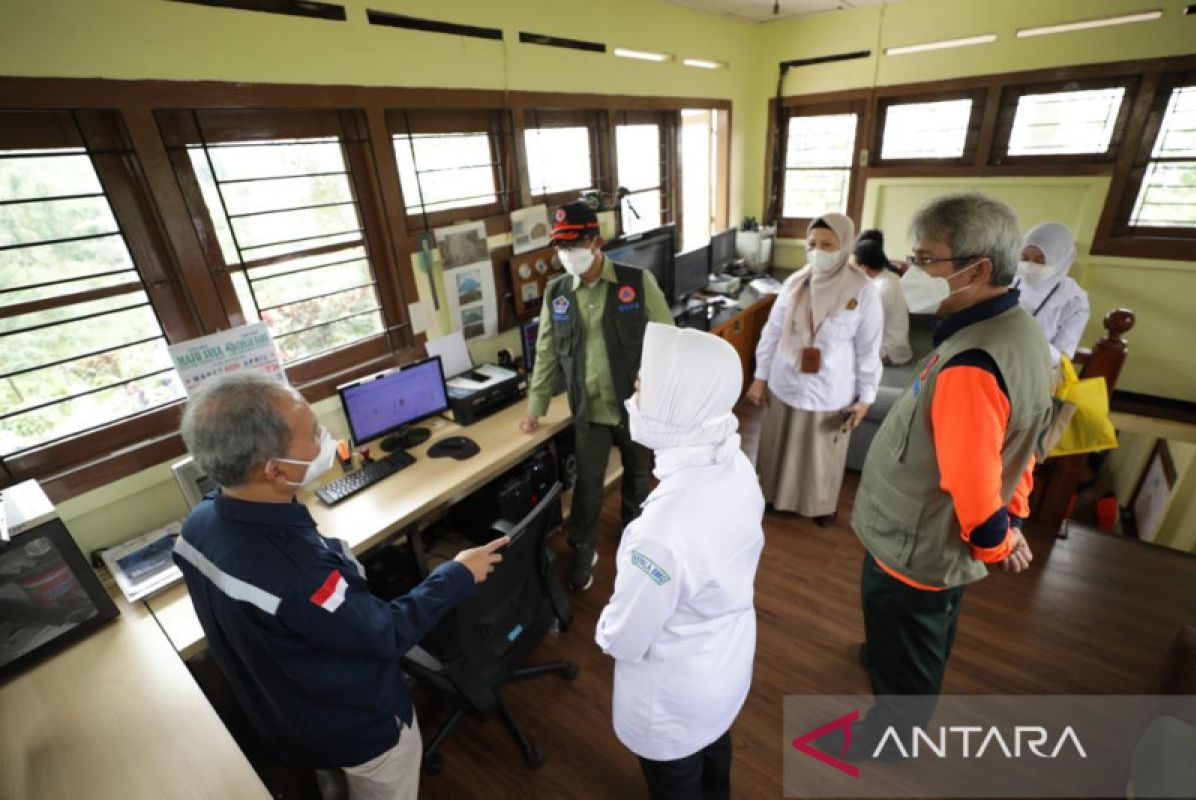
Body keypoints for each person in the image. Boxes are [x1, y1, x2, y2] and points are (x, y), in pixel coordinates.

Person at [173, 370, 507, 800]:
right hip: (362, 729)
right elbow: (384, 633)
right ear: (274, 470)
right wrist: (456, 574)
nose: (325, 440)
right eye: (313, 434)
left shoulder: (199, 522)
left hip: (284, 712)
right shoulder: (299, 573)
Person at [847, 193, 1053, 757]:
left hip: (918, 543)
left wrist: (997, 538)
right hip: (923, 535)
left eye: (926, 259)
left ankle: (896, 731)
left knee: (910, 629)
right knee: (919, 625)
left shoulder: (973, 363)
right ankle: (889, 658)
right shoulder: (1015, 330)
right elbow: (1024, 443)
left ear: (978, 269)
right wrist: (1010, 519)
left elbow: (973, 475)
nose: (911, 271)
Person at [596, 322, 764, 800]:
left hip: (673, 700)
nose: (634, 393)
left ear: (678, 399)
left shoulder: (661, 534)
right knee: (715, 761)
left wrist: (603, 626)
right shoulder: (731, 459)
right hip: (723, 666)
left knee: (679, 785)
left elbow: (624, 638)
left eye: (644, 384)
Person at [519, 201, 674, 591]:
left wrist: (661, 390)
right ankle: (583, 550)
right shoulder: (557, 293)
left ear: (596, 241)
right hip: (589, 410)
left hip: (635, 408)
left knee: (639, 481)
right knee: (587, 489)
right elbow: (547, 353)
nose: (567, 254)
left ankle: (636, 543)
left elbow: (668, 340)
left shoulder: (636, 282)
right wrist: (535, 407)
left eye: (574, 245)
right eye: (560, 247)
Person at [746, 212, 883, 527]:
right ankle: (773, 497)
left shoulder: (862, 290)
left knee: (822, 454)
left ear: (845, 245)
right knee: (778, 446)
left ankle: (822, 506)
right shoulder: (796, 283)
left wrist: (867, 398)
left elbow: (869, 349)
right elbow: (771, 331)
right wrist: (759, 377)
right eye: (812, 243)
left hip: (830, 388)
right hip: (786, 380)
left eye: (827, 244)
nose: (818, 250)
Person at [1014, 221, 1091, 364]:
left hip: (1038, 370)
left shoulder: (1074, 300)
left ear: (1061, 260)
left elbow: (1063, 357)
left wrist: (1026, 340)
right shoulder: (1011, 283)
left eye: (1041, 260)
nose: (1030, 266)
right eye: (1024, 258)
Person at [853, 229, 912, 367]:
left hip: (890, 351)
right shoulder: (887, 277)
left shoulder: (883, 290)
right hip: (887, 342)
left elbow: (864, 328)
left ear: (863, 268)